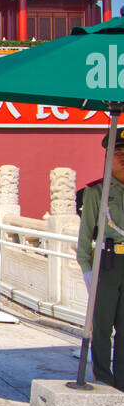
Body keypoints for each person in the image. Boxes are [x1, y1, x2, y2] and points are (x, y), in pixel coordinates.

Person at [76, 130, 124, 389]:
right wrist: (88, 273)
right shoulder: (96, 192)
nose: (123, 157)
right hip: (106, 265)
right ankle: (104, 382)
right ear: (108, 157)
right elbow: (84, 242)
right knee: (102, 329)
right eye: (118, 152)